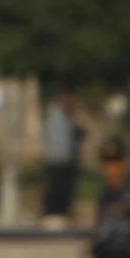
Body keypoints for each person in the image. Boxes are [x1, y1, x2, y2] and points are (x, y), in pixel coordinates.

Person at [39, 91, 79, 225]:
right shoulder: (56, 114)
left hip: (65, 158)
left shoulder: (66, 113)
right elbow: (57, 136)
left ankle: (62, 212)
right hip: (58, 159)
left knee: (63, 188)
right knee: (56, 188)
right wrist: (60, 155)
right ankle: (53, 213)